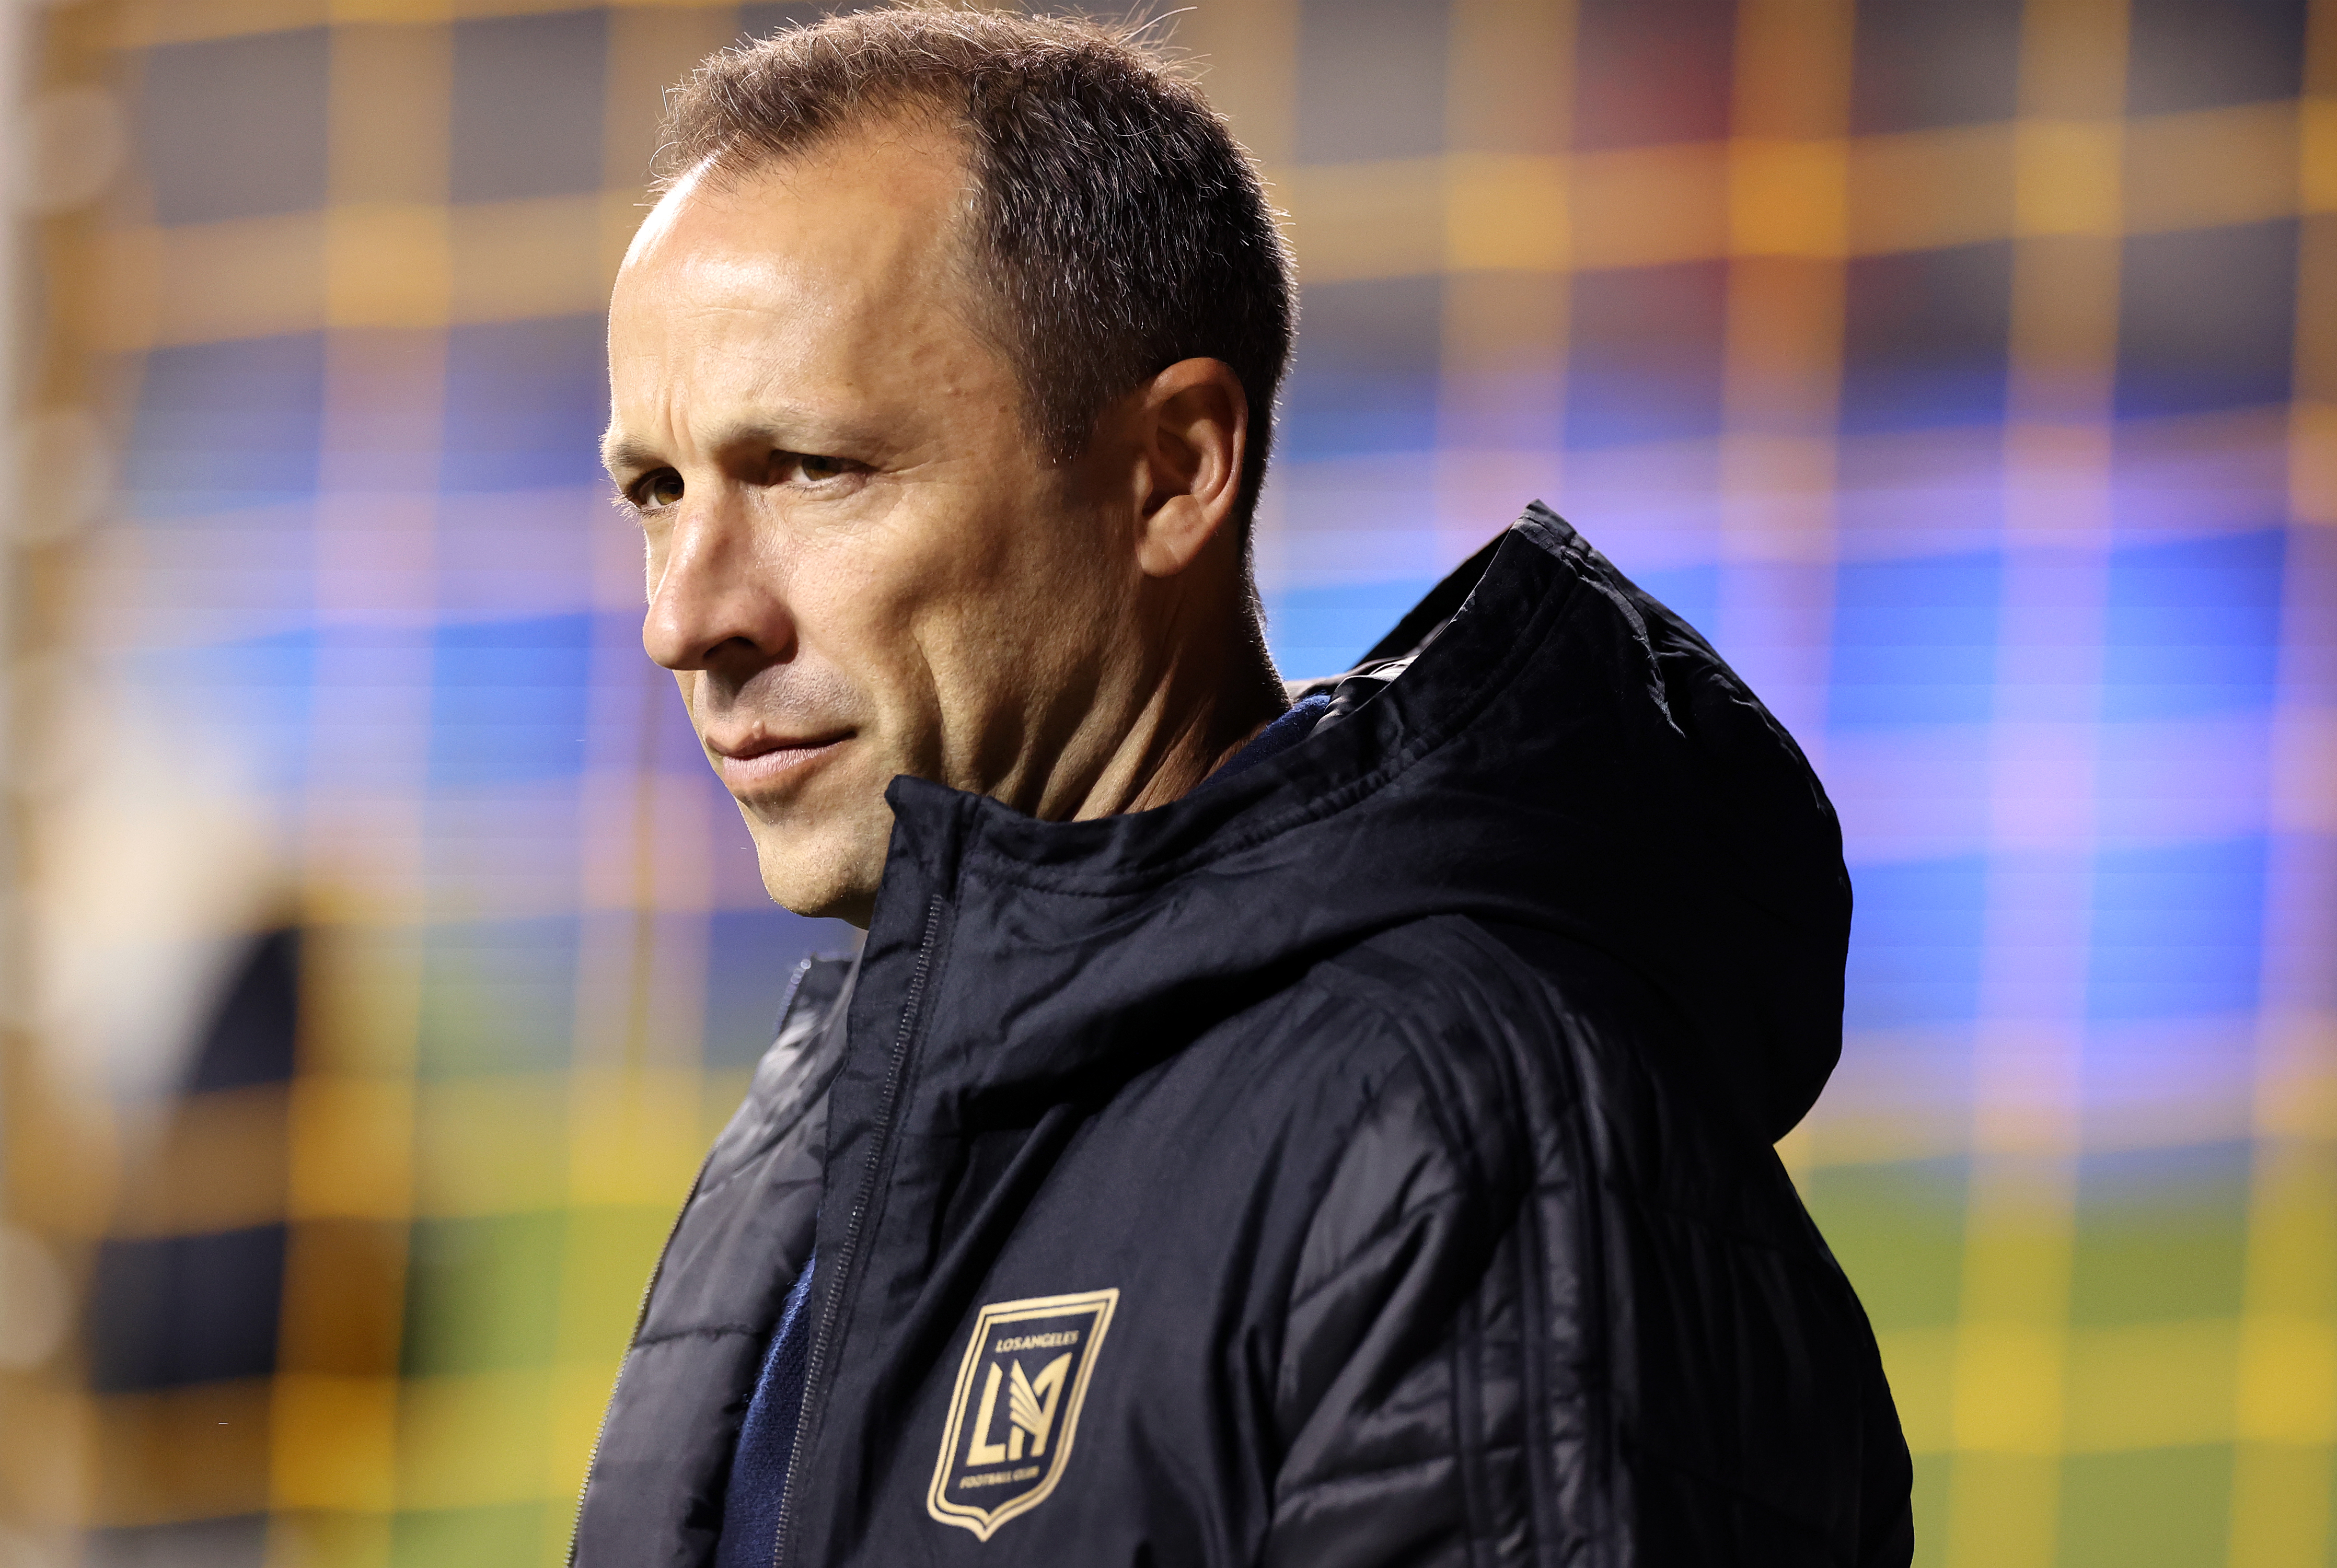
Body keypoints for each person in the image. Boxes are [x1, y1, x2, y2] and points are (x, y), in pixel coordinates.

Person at [576, 9, 1913, 1566]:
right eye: (656, 491)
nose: (686, 615)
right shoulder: (820, 1121)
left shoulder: (1459, 1129)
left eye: (812, 469)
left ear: (1173, 469)